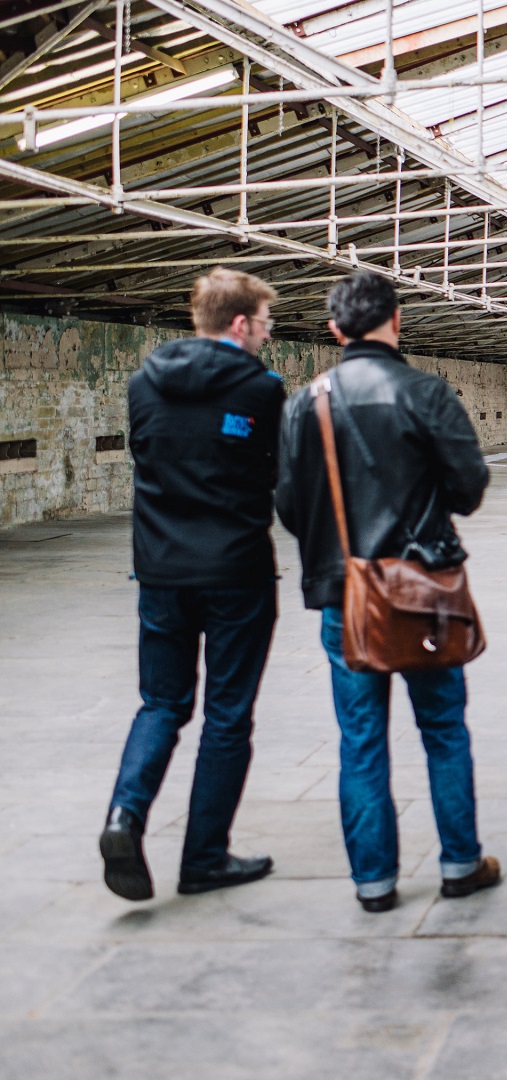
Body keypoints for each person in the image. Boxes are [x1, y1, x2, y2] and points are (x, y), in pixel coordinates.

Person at [276, 271, 499, 913]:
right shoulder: (426, 393)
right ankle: (459, 863)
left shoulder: (305, 402)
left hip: (346, 598)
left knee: (361, 738)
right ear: (396, 322)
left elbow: (290, 505)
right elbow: (468, 488)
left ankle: (374, 881)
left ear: (335, 330)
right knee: (443, 730)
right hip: (422, 593)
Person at [99, 268, 285, 902]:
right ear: (240, 324)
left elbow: (150, 459)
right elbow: (272, 478)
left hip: (160, 571)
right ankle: (204, 857)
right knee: (227, 716)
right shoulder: (261, 390)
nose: (265, 334)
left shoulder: (143, 383)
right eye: (264, 324)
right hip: (237, 572)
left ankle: (125, 815)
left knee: (162, 704)